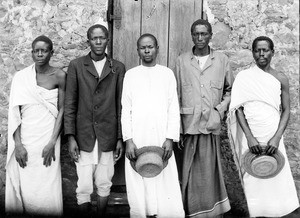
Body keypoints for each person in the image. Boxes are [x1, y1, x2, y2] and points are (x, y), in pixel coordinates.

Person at [227, 36, 299, 217]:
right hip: (251, 135)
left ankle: (278, 212)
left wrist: (276, 137)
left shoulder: (281, 78)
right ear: (252, 53)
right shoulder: (244, 77)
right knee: (253, 175)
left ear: (272, 52)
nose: (261, 54)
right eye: (257, 50)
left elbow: (286, 110)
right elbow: (238, 110)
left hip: (273, 134)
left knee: (276, 174)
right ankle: (257, 213)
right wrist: (250, 137)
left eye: (265, 50)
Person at [64, 24, 125, 217]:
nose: (98, 42)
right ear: (88, 41)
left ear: (108, 40)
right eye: (94, 38)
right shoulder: (77, 65)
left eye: (102, 38)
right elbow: (70, 103)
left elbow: (120, 104)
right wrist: (71, 136)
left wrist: (119, 138)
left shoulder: (117, 67)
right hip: (84, 134)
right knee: (83, 182)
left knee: (105, 180)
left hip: (107, 134)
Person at [121, 33, 185, 218]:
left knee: (165, 174)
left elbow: (173, 107)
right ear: (138, 51)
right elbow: (126, 109)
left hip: (161, 135)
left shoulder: (167, 74)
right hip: (138, 136)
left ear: (157, 48)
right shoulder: (131, 75)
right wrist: (128, 140)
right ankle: (141, 213)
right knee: (138, 175)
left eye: (150, 46)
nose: (147, 50)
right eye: (143, 47)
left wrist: (170, 138)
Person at [174, 19, 232, 217]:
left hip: (210, 124)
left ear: (210, 36)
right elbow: (176, 94)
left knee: (209, 174)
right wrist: (177, 128)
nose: (200, 38)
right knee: (188, 172)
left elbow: (229, 90)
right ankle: (191, 211)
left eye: (204, 34)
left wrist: (219, 110)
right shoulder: (182, 60)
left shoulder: (221, 60)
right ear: (191, 35)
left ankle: (213, 212)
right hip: (189, 126)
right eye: (196, 34)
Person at [6, 35, 65, 216]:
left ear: (51, 53)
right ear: (32, 53)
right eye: (36, 51)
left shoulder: (60, 75)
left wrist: (52, 142)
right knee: (28, 185)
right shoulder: (22, 78)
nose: (40, 54)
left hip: (49, 138)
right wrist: (18, 144)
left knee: (49, 184)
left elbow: (62, 110)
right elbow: (15, 113)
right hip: (27, 141)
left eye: (44, 50)